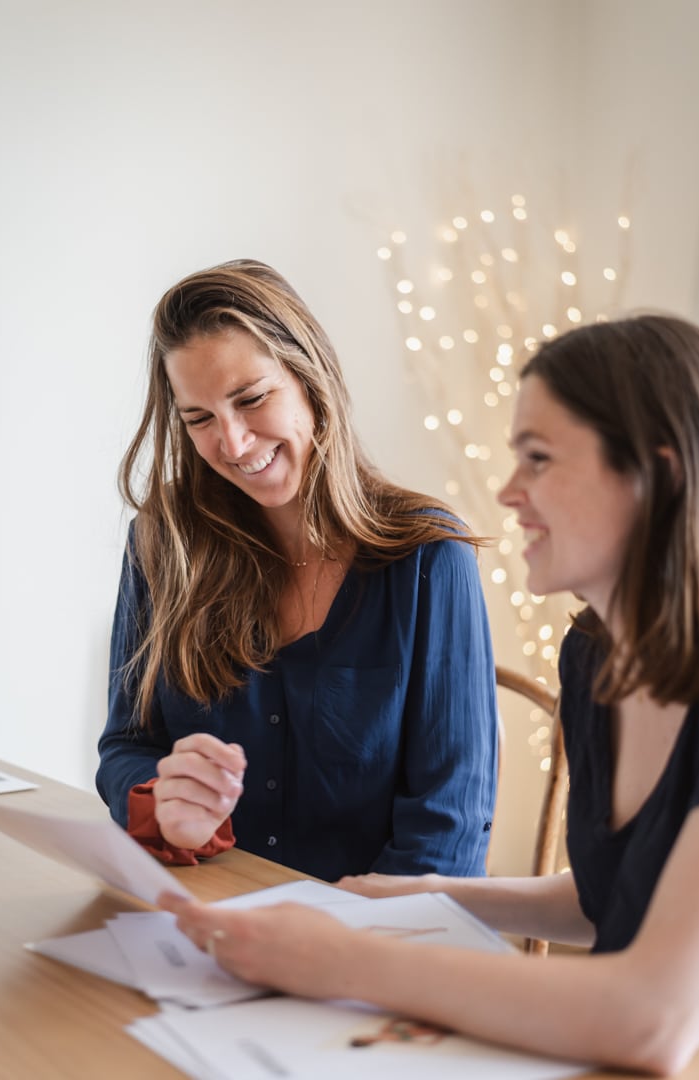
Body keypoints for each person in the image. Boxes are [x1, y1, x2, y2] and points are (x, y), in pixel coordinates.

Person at [159, 313, 699, 1075]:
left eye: (538, 459)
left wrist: (337, 958)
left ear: (660, 475)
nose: (508, 493)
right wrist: (428, 897)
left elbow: (653, 1020)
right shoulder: (597, 657)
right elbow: (608, 898)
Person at [96, 259, 498, 882]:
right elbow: (126, 747)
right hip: (206, 921)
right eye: (199, 418)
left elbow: (448, 827)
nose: (230, 444)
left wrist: (335, 945)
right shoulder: (161, 544)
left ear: (312, 380)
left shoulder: (429, 558)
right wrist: (160, 798)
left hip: (373, 947)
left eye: (252, 399)